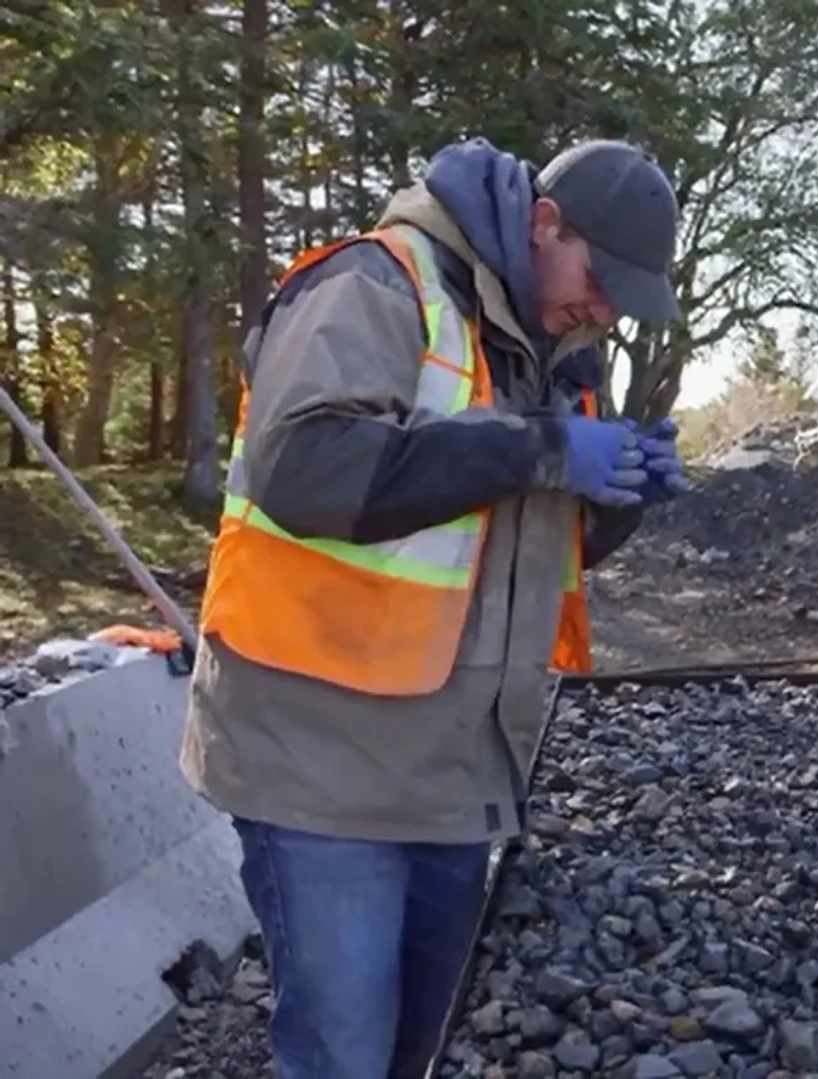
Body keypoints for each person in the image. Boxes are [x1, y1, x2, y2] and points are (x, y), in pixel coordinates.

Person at [180, 136, 687, 1079]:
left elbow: (534, 551)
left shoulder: (553, 354)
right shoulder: (379, 282)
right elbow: (307, 467)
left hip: (454, 774)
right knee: (343, 1058)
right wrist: (534, 450)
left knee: (407, 1052)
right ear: (543, 221)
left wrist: (617, 499)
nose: (604, 308)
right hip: (317, 766)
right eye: (599, 277)